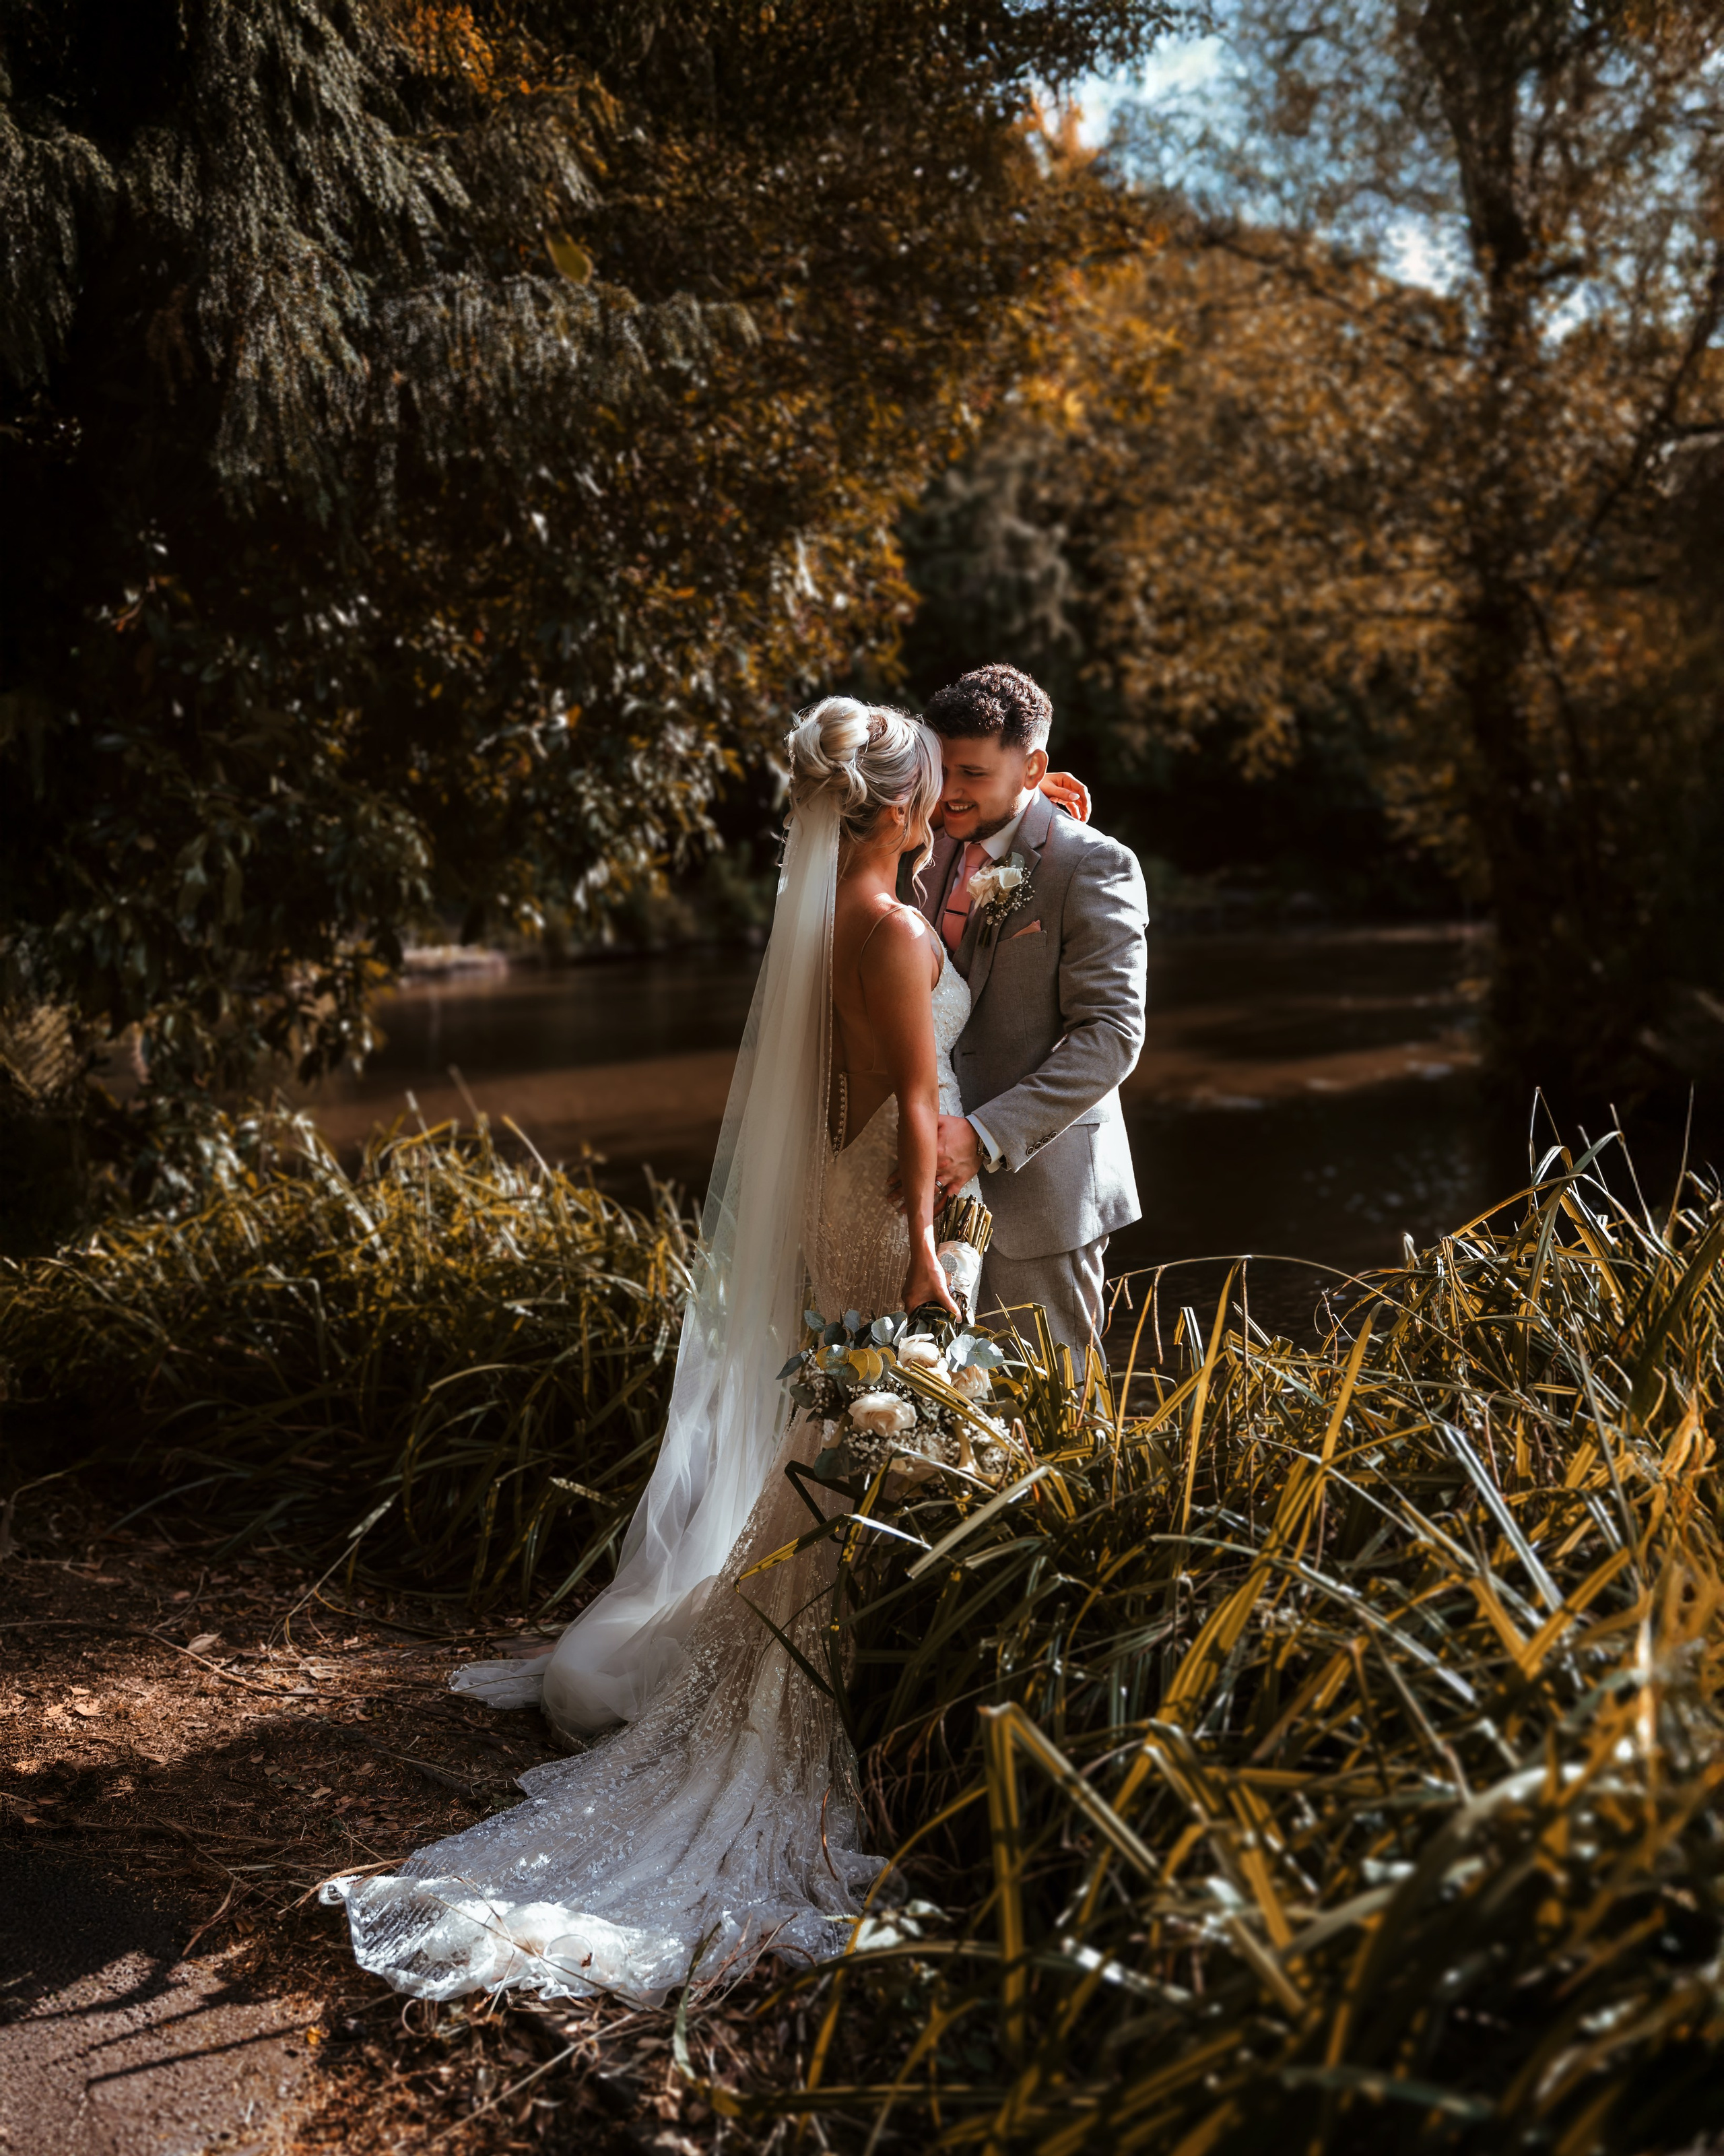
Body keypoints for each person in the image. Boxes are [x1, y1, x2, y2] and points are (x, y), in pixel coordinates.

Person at [322, 700, 978, 2004]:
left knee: (831, 1432)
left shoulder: (817, 925)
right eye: (932, 792)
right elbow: (916, 1106)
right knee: (865, 1435)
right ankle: (824, 1690)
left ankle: (807, 1656)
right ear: (902, 810)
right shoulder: (897, 933)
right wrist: (924, 1249)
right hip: (879, 1209)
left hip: (825, 1206)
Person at [900, 663, 1148, 1362]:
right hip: (925, 1190)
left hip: (1040, 1195)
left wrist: (983, 1135)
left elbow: (1110, 1035)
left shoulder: (1092, 864)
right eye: (943, 769)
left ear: (1034, 767)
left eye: (973, 774)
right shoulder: (921, 842)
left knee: (1054, 1406)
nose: (949, 790)